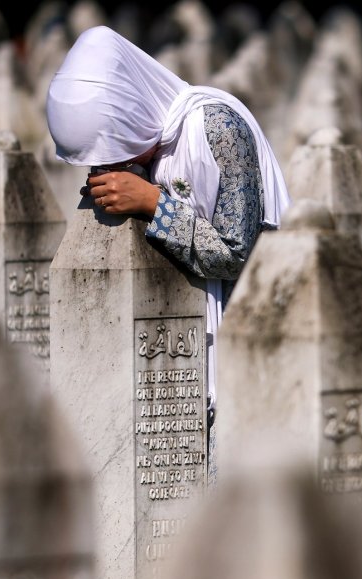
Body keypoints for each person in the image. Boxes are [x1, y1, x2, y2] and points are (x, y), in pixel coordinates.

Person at [45, 25, 290, 420]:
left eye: (115, 152)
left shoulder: (217, 129)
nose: (111, 167)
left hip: (248, 341)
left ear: (135, 115)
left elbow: (238, 255)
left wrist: (153, 203)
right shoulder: (144, 153)